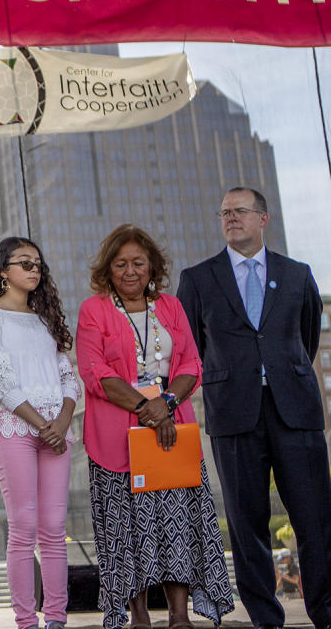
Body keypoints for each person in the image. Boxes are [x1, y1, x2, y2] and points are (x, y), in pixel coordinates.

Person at [177, 186, 329, 629]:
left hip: (295, 411)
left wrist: (278, 371)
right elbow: (191, 348)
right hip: (234, 414)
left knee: (315, 518)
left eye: (240, 211)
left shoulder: (298, 274)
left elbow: (305, 338)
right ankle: (267, 619)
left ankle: (326, 610)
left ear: (263, 219)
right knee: (247, 526)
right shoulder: (198, 278)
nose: (230, 218)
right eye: (224, 212)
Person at [77, 224, 234, 629]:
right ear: (107, 269)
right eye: (121, 263)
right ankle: (139, 617)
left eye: (139, 263)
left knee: (177, 523)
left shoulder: (170, 306)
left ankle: (180, 616)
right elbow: (96, 372)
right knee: (126, 528)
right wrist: (150, 409)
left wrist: (165, 404)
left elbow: (190, 365)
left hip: (171, 428)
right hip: (118, 438)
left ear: (153, 267)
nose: (130, 271)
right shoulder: (94, 310)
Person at [0, 236, 79, 629]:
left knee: (54, 529)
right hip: (14, 425)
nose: (33, 270)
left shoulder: (46, 320)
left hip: (55, 430)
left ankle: (57, 618)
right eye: (24, 263)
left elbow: (67, 377)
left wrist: (61, 422)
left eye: (38, 265)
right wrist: (41, 424)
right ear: (3, 271)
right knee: (24, 526)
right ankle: (26, 621)